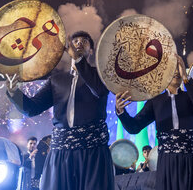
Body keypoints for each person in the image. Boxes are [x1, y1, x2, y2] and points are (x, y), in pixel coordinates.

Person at [7, 31, 115, 190]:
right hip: (61, 150)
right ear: (68, 48)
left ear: (91, 50)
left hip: (93, 150)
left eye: (84, 41)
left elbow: (99, 91)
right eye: (75, 40)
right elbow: (32, 108)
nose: (78, 43)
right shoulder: (57, 79)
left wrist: (79, 60)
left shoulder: (100, 75)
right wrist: (13, 92)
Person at [115, 55, 193, 190]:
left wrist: (186, 78)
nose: (176, 72)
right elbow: (134, 127)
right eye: (172, 69)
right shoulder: (156, 101)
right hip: (168, 162)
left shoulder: (190, 96)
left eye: (178, 68)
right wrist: (121, 112)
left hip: (192, 159)